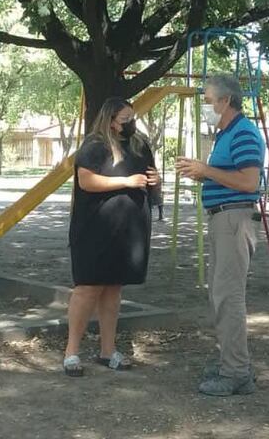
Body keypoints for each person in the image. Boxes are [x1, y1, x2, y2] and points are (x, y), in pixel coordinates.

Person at [175, 73, 264, 396]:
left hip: (233, 220)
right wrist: (204, 175)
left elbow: (249, 183)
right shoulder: (227, 133)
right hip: (224, 219)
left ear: (226, 101)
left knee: (228, 296)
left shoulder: (243, 133)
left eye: (209, 100)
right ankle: (232, 361)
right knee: (220, 295)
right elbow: (231, 177)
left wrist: (207, 171)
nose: (206, 106)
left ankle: (236, 371)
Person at [63, 97, 159, 376]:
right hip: (95, 228)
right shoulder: (94, 146)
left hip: (129, 228)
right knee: (88, 287)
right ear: (110, 120)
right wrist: (125, 182)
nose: (131, 124)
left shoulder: (140, 144)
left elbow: (151, 175)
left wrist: (155, 181)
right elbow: (86, 180)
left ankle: (107, 350)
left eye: (132, 118)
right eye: (125, 119)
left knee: (114, 288)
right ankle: (71, 352)